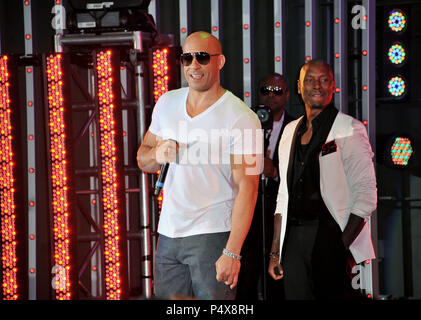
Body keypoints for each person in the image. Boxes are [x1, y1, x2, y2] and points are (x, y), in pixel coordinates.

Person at [137, 31, 262, 300]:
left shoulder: (242, 118)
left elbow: (248, 189)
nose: (194, 65)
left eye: (202, 57)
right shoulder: (167, 103)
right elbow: (142, 159)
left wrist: (232, 251)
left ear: (220, 62)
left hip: (213, 234)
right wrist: (158, 153)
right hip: (169, 234)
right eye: (187, 58)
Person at [268, 59, 377, 299]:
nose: (317, 85)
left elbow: (366, 195)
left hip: (330, 234)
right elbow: (283, 197)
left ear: (333, 86)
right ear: (299, 87)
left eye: (324, 79)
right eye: (310, 79)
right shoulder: (289, 131)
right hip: (294, 239)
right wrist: (275, 253)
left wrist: (340, 246)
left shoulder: (349, 128)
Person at [236, 73, 294, 300]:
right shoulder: (243, 121)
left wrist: (275, 171)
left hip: (278, 211)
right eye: (265, 90)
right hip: (245, 209)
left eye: (277, 91)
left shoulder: (296, 126)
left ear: (287, 95)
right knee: (245, 275)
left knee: (277, 277)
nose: (271, 96)